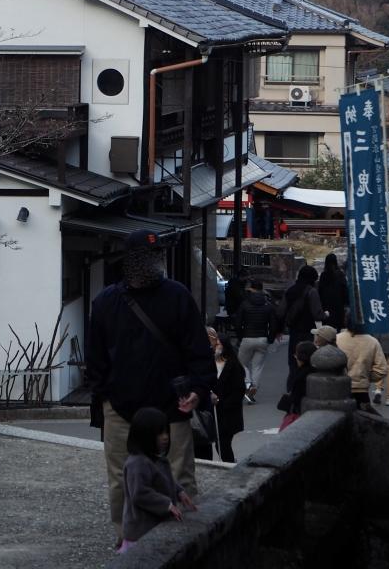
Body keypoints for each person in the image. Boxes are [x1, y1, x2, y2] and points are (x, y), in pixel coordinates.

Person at [84, 229, 214, 542]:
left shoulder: (178, 296)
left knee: (178, 476)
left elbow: (198, 351)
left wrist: (197, 390)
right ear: (132, 260)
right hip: (121, 407)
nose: (156, 261)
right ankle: (127, 539)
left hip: (171, 405)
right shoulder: (106, 302)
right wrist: (105, 399)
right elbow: (96, 360)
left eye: (158, 254)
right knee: (122, 478)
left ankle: (181, 541)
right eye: (150, 256)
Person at [119, 407, 197, 553]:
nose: (165, 437)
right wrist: (167, 504)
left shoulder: (155, 459)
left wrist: (179, 491)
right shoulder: (137, 463)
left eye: (166, 432)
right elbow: (140, 493)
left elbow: (164, 480)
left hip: (152, 526)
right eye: (159, 433)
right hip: (140, 531)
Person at [202, 327, 245, 463]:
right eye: (215, 344)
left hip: (228, 413)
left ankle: (230, 465)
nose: (216, 347)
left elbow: (239, 390)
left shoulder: (233, 365)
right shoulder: (211, 363)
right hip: (215, 412)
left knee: (223, 444)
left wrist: (222, 402)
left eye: (219, 344)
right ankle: (230, 464)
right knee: (219, 444)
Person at [232, 279, 275, 403]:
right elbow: (273, 324)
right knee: (257, 366)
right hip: (262, 338)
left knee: (241, 364)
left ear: (251, 289)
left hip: (247, 337)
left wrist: (240, 336)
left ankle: (248, 383)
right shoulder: (268, 305)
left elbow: (238, 323)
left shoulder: (245, 304)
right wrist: (270, 338)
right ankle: (253, 388)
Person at [336, 321, 388, 411]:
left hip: (339, 388)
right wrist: (365, 377)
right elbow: (382, 369)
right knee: (364, 417)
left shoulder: (336, 339)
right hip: (361, 390)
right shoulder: (372, 341)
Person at [281, 264, 323, 368]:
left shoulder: (290, 291)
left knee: (294, 361)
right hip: (308, 332)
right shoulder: (312, 291)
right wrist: (326, 315)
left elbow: (280, 312)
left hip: (294, 332)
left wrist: (278, 329)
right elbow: (317, 315)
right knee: (308, 360)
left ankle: (293, 378)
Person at [279, 340, 317, 431]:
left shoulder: (301, 375)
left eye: (296, 355)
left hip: (302, 414)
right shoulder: (317, 371)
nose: (295, 357)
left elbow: (296, 398)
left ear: (300, 357)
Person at [317, 252, 349, 331]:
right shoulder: (340, 274)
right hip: (339, 305)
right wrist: (346, 303)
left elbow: (320, 291)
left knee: (327, 329)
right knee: (339, 328)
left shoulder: (323, 275)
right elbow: (345, 290)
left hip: (326, 306)